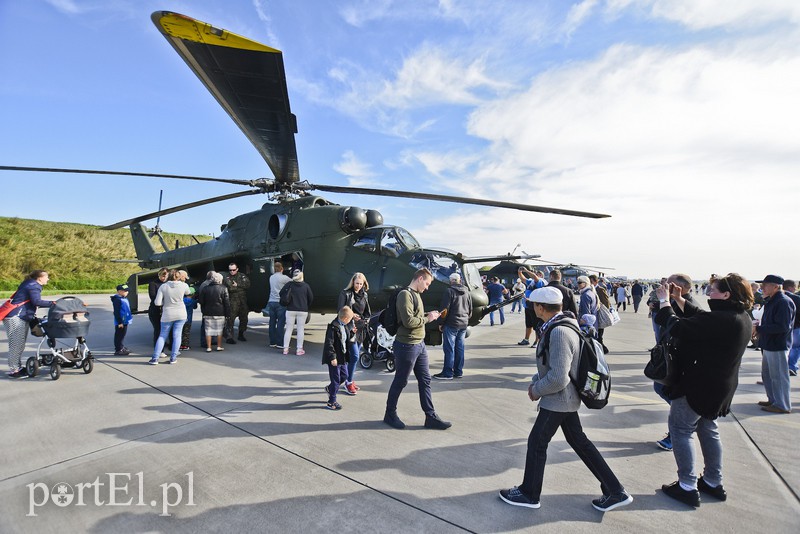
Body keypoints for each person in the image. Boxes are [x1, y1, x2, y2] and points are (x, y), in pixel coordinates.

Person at [499, 286, 632, 512]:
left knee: (537, 443)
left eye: (533, 305)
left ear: (541, 308)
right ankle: (615, 490)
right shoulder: (561, 325)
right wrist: (537, 381)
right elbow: (552, 366)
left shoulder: (560, 332)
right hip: (564, 400)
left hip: (558, 400)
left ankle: (529, 494)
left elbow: (558, 377)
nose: (532, 308)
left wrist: (536, 389)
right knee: (579, 442)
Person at [654, 274, 753, 507]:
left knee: (680, 430)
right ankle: (712, 481)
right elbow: (702, 319)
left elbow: (677, 327)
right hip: (720, 386)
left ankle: (687, 485)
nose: (708, 294)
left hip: (699, 385)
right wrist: (679, 299)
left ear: (726, 295)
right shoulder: (739, 317)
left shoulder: (723, 320)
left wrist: (664, 301)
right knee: (708, 429)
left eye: (713, 290)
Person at [383, 268, 451, 430]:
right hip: (407, 345)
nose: (427, 287)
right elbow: (408, 322)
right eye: (426, 283)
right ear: (419, 279)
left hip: (419, 344)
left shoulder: (417, 296)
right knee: (401, 380)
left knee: (425, 380)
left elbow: (415, 316)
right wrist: (428, 318)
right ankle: (389, 414)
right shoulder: (405, 295)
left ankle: (430, 416)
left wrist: (429, 314)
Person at [754, 274, 795, 414]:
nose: (762, 288)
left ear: (776, 286)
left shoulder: (783, 302)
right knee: (768, 375)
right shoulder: (773, 300)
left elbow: (782, 326)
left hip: (778, 345)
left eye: (765, 285)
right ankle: (773, 400)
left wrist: (759, 329)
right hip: (770, 344)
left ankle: (782, 404)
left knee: (778, 377)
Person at [3, 270, 54, 377]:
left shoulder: (29, 283)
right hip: (16, 317)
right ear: (40, 278)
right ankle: (15, 370)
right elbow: (36, 301)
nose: (48, 279)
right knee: (16, 344)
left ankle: (17, 367)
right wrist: (53, 303)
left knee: (18, 343)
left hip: (17, 316)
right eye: (47, 277)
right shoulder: (33, 286)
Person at [337, 272, 371, 394]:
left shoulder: (364, 295)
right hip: (349, 328)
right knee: (355, 356)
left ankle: (347, 379)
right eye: (357, 283)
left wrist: (365, 319)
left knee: (352, 358)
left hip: (361, 329)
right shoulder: (345, 293)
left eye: (361, 284)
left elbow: (367, 312)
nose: (358, 286)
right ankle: (348, 381)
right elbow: (340, 311)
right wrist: (352, 316)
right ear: (352, 282)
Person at [434, 272, 472, 380]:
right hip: (463, 324)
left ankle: (447, 373)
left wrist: (441, 323)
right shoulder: (467, 292)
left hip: (451, 324)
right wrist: (466, 320)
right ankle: (458, 371)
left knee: (449, 349)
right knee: (460, 348)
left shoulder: (449, 291)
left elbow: (445, 309)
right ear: (459, 280)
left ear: (451, 281)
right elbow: (470, 309)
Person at [149, 270, 189, 365]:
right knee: (177, 335)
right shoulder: (183, 285)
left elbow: (157, 303)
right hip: (181, 313)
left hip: (168, 313)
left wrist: (165, 302)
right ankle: (173, 357)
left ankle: (155, 358)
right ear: (179, 277)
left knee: (162, 335)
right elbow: (188, 292)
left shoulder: (164, 286)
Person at [322, 306, 356, 410]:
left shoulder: (345, 326)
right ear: (345, 318)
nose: (350, 321)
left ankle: (330, 388)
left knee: (344, 376)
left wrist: (351, 333)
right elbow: (329, 343)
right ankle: (332, 401)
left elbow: (344, 339)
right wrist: (332, 357)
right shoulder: (333, 327)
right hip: (335, 358)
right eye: (350, 319)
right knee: (335, 380)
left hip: (343, 357)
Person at [281, 269, 314, 355]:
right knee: (300, 329)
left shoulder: (289, 285)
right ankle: (299, 349)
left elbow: (281, 293)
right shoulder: (306, 286)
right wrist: (306, 305)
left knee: (288, 329)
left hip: (290, 309)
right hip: (302, 310)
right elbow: (311, 298)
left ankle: (285, 349)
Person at [198, 271, 230, 353]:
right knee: (219, 330)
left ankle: (208, 347)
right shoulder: (224, 288)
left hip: (208, 313)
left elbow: (201, 301)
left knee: (208, 330)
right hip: (220, 313)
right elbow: (226, 303)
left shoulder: (205, 288)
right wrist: (227, 314)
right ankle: (219, 346)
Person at [266, 261, 292, 349]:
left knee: (272, 323)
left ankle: (272, 342)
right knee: (280, 323)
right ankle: (280, 343)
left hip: (271, 301)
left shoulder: (271, 277)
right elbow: (293, 282)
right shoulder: (284, 278)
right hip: (280, 302)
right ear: (282, 269)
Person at [223, 262, 251, 343]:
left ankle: (241, 334)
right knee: (230, 319)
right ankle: (229, 337)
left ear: (237, 269)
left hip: (242, 301)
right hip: (232, 302)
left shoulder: (242, 276)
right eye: (230, 270)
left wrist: (237, 285)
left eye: (233, 270)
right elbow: (230, 289)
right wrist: (239, 287)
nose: (232, 271)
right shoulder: (226, 277)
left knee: (244, 318)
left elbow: (248, 284)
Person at [518, 267, 545, 346]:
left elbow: (535, 277)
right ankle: (526, 339)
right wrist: (520, 272)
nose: (535, 275)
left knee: (536, 325)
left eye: (537, 274)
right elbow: (523, 279)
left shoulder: (540, 281)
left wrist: (526, 271)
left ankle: (537, 341)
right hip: (528, 306)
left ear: (540, 275)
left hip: (535, 307)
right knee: (528, 324)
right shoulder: (531, 281)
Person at [782, 279, 800, 376]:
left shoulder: (776, 297)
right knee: (796, 348)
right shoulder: (796, 298)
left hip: (783, 328)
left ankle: (785, 367)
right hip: (796, 327)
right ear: (790, 287)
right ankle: (791, 367)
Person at [589, 275, 610, 353]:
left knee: (599, 334)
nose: (590, 283)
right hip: (594, 316)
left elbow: (606, 302)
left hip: (599, 315)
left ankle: (603, 350)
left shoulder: (600, 290)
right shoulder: (591, 290)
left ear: (596, 281)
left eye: (591, 282)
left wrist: (601, 309)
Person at [148, 268, 169, 345]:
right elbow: (152, 296)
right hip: (155, 309)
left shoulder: (168, 283)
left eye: (166, 276)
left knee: (165, 329)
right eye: (162, 276)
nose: (164, 278)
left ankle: (163, 342)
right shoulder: (153, 284)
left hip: (166, 309)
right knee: (158, 329)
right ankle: (157, 345)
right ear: (159, 275)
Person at [111, 283, 133, 355]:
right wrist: (120, 322)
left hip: (125, 320)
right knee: (119, 335)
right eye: (125, 291)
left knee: (122, 334)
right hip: (121, 321)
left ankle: (121, 346)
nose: (127, 292)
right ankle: (118, 349)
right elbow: (116, 312)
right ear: (119, 291)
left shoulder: (123, 298)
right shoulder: (117, 300)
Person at [180, 286, 197, 351]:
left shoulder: (182, 300)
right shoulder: (193, 301)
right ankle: (185, 345)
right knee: (186, 333)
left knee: (180, 332)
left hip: (181, 318)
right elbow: (195, 307)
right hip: (188, 319)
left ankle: (179, 345)